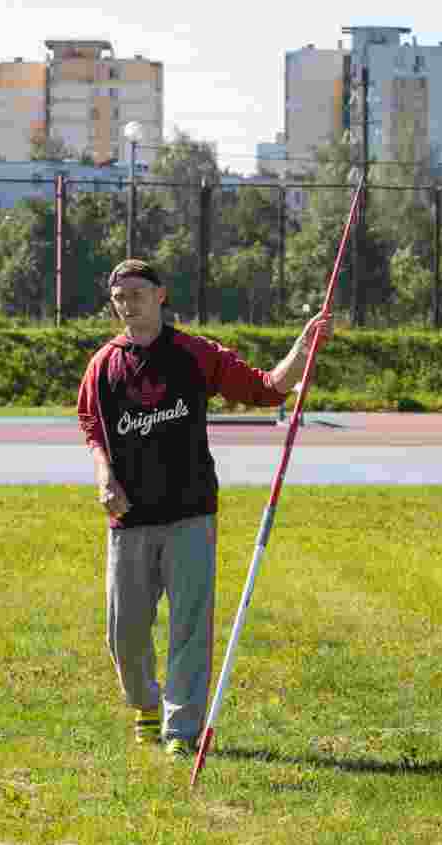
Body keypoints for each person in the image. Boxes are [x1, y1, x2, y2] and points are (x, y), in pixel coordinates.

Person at [76, 259, 334, 759]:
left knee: (189, 629)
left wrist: (302, 350)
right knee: (124, 632)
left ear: (161, 295)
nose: (128, 305)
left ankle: (181, 730)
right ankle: (145, 704)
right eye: (120, 297)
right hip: (129, 517)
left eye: (137, 294)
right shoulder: (104, 364)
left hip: (190, 512)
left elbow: (266, 388)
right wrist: (104, 476)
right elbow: (92, 425)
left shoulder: (195, 354)